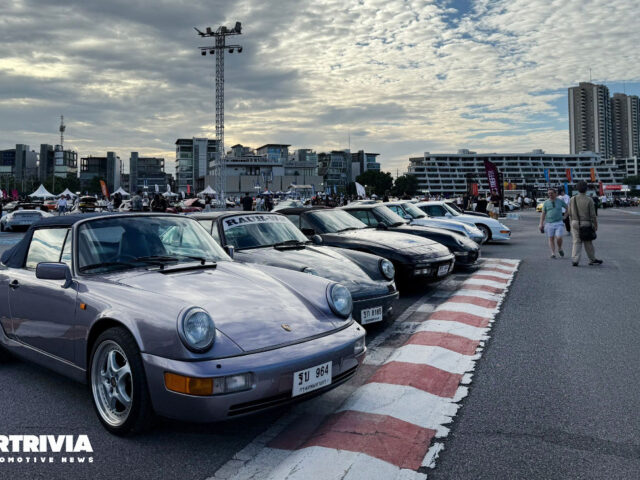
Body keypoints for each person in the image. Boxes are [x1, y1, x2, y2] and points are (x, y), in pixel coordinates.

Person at [568, 181, 602, 266]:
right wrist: (595, 225)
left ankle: (575, 260)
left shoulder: (573, 199)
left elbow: (569, 212)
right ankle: (592, 259)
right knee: (588, 242)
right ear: (586, 189)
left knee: (576, 241)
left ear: (577, 189)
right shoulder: (589, 199)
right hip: (586, 223)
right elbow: (593, 215)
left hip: (575, 222)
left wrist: (572, 221)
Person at [539, 188, 567, 258]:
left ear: (555, 194)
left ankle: (560, 248)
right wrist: (541, 223)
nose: (550, 194)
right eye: (549, 193)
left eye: (551, 193)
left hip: (559, 222)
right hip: (549, 223)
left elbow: (567, 207)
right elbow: (543, 213)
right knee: (551, 238)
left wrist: (565, 216)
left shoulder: (560, 201)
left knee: (559, 237)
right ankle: (553, 253)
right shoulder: (546, 202)